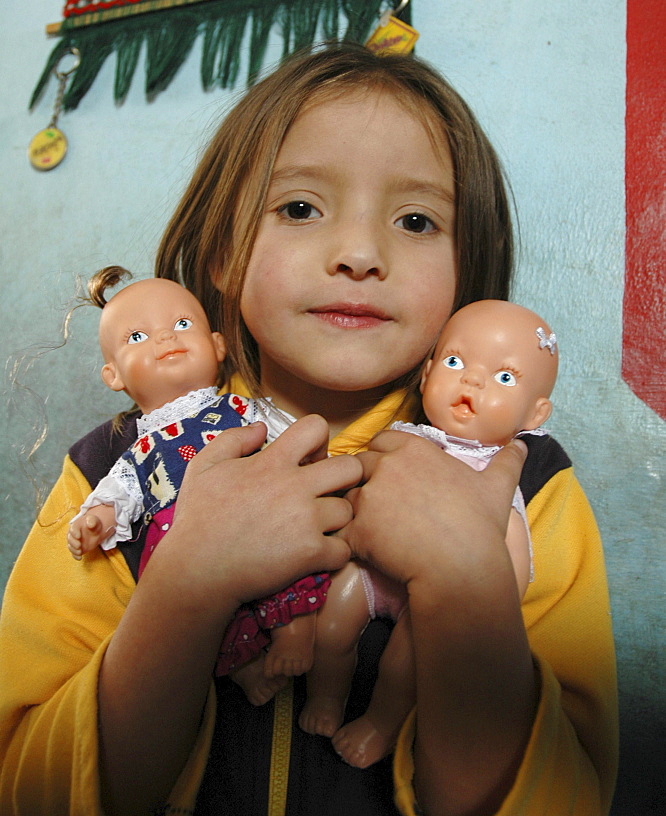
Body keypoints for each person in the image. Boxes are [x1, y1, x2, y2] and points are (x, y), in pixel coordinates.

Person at [0, 44, 618, 816]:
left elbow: (571, 799)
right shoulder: (113, 470)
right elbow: (30, 791)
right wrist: (186, 583)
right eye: (298, 208)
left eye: (417, 219)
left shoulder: (526, 485)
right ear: (223, 252)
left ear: (468, 270)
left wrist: (466, 585)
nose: (359, 255)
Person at [301, 298, 557, 769]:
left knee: (408, 666)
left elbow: (507, 559)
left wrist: (477, 586)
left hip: (440, 605)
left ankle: (381, 724)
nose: (472, 381)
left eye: (504, 378)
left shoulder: (511, 477)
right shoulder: (402, 440)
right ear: (427, 375)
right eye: (457, 362)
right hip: (373, 571)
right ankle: (325, 697)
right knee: (331, 620)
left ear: (536, 414)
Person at [65, 269, 328, 699]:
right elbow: (123, 489)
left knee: (289, 559)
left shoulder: (242, 409)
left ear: (218, 345)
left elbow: (293, 435)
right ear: (113, 376)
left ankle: (296, 630)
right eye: (137, 337)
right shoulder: (137, 449)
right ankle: (242, 668)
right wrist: (96, 519)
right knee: (192, 614)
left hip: (260, 510)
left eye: (182, 325)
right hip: (177, 533)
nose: (166, 339)